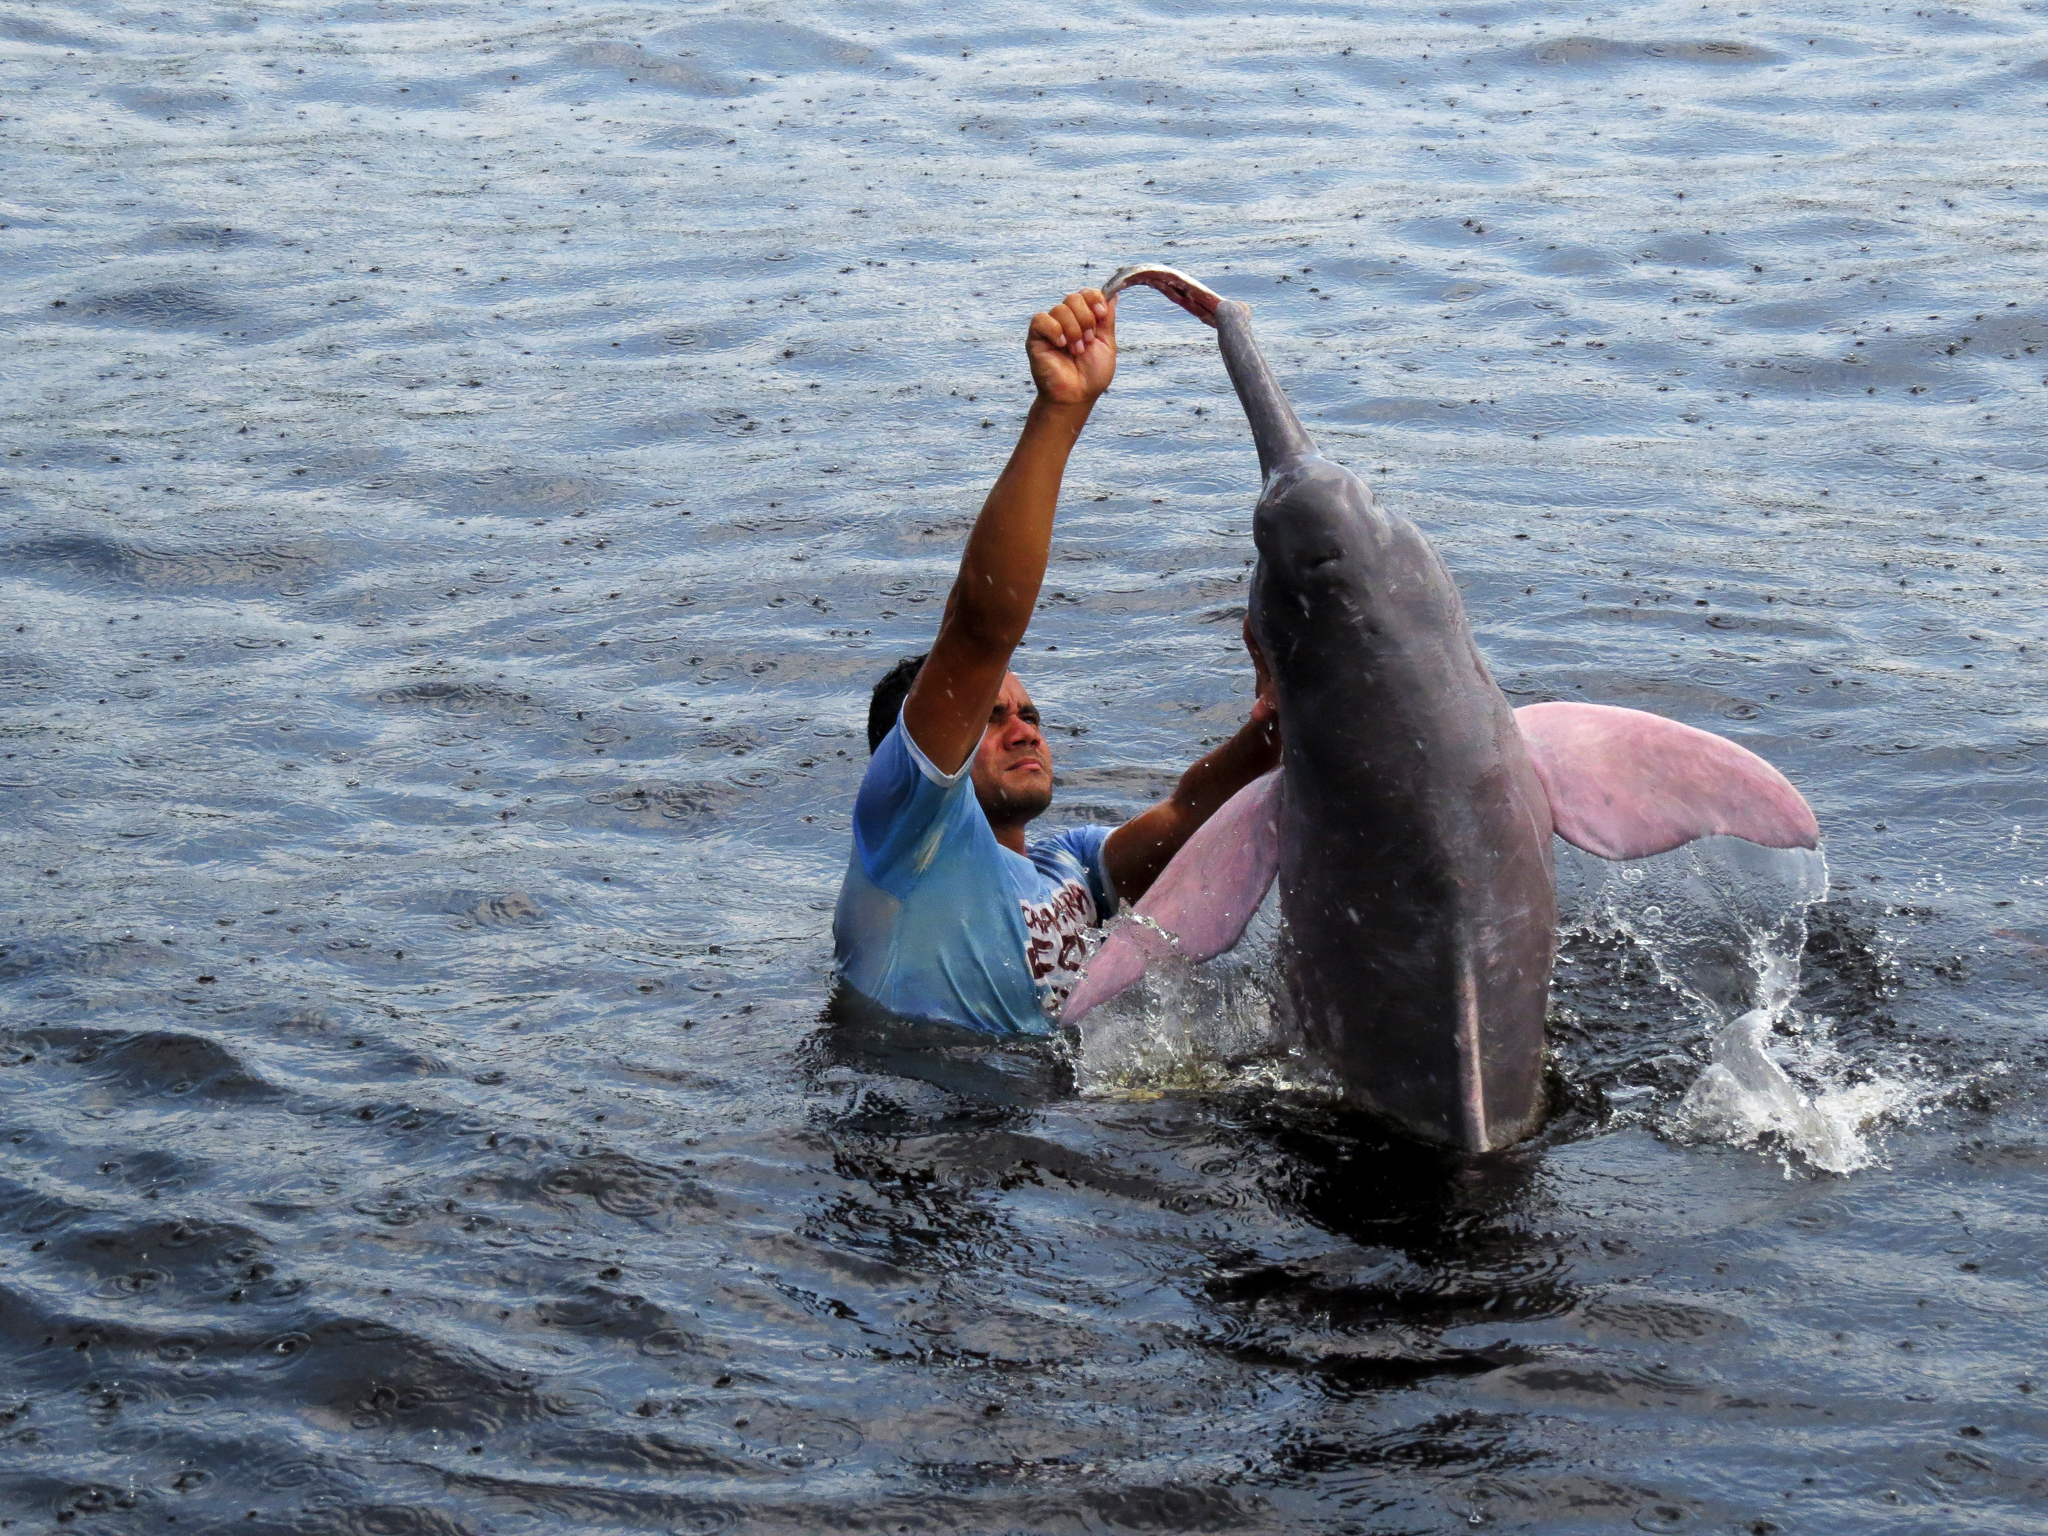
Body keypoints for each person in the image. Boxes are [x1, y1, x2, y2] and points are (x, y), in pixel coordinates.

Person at [832, 284, 1280, 1034]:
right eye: (994, 715)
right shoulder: (905, 833)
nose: (1024, 729)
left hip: (1042, 1106)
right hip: (928, 1123)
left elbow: (1187, 815)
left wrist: (1277, 715)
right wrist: (1061, 412)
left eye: (1030, 714)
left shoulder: (1067, 864)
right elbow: (979, 630)